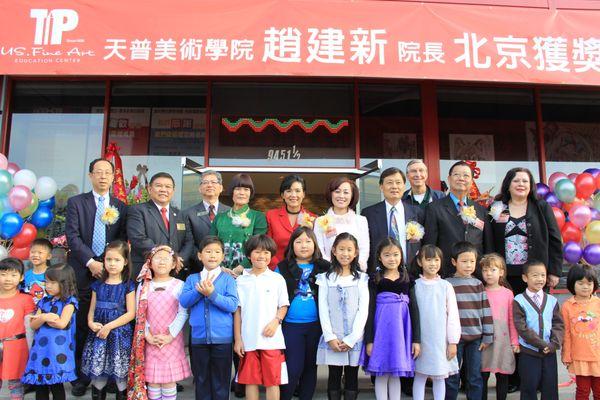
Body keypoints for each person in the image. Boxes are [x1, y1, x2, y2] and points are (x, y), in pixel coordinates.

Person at [66, 158, 127, 397]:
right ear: (90, 175)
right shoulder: (76, 203)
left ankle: (110, 376)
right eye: (98, 172)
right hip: (83, 272)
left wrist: (109, 265)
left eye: (107, 173)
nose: (103, 176)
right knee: (83, 326)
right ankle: (82, 378)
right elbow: (72, 236)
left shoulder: (121, 206)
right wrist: (91, 262)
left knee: (111, 326)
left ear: (113, 177)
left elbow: (121, 240)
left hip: (112, 275)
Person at [180, 236, 239, 400]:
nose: (212, 255)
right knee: (201, 379)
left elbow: (232, 305)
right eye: (208, 251)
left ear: (222, 256)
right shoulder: (192, 279)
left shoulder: (228, 279)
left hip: (223, 340)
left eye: (217, 252)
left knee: (221, 381)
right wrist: (199, 291)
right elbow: (184, 301)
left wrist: (212, 294)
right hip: (198, 339)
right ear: (200, 255)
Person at [361, 237, 420, 400]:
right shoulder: (374, 279)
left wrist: (416, 339)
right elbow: (370, 309)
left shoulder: (408, 279)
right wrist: (369, 340)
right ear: (379, 257)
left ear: (401, 255)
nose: (392, 258)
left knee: (395, 374)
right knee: (382, 372)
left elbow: (414, 310)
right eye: (387, 255)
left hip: (401, 332)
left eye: (395, 254)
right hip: (380, 332)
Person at [275, 227, 330, 400]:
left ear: (315, 244)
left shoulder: (324, 267)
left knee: (310, 366)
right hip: (291, 326)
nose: (303, 245)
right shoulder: (282, 267)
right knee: (293, 367)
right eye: (298, 241)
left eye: (308, 241)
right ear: (292, 246)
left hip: (316, 325)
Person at [489, 167, 563, 294]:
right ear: (508, 185)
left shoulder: (542, 206)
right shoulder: (497, 207)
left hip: (535, 275)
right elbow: (489, 238)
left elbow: (555, 239)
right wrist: (490, 269)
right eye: (516, 181)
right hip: (503, 276)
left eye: (525, 181)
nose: (521, 184)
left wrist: (554, 271)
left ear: (531, 186)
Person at [234, 235, 289, 400]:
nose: (261, 256)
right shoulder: (241, 281)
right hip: (248, 339)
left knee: (273, 381)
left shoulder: (277, 279)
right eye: (257, 252)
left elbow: (283, 305)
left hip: (272, 340)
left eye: (266, 252)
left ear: (271, 256)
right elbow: (237, 311)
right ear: (249, 256)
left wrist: (276, 321)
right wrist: (238, 339)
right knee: (250, 381)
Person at [132, 245, 191, 400]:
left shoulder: (180, 285)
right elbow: (139, 314)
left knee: (169, 381)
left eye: (166, 259)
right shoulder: (144, 286)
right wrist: (147, 335)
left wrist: (170, 335)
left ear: (173, 264)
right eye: (157, 258)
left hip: (171, 339)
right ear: (150, 263)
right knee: (153, 381)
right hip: (150, 339)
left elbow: (183, 312)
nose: (162, 262)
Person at [316, 232, 369, 400]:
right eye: (341, 249)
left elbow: (363, 310)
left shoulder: (362, 279)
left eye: (349, 250)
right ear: (333, 251)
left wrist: (352, 338)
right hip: (333, 336)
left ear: (355, 253)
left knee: (352, 376)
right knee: (334, 375)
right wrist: (330, 337)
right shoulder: (325, 279)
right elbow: (323, 309)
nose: (345, 254)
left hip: (353, 337)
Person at [81, 241, 135, 400]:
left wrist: (109, 326)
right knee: (99, 374)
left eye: (117, 260)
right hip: (99, 335)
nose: (112, 264)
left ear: (125, 262)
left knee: (120, 375)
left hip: (119, 334)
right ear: (103, 260)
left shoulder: (128, 286)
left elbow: (131, 313)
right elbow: (91, 310)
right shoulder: (97, 285)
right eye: (108, 259)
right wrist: (91, 323)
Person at [423, 161, 493, 277]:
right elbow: (430, 245)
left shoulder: (481, 210)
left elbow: (488, 245)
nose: (461, 178)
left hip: (476, 274)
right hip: (446, 273)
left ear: (471, 182)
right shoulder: (434, 208)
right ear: (449, 179)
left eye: (466, 175)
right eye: (456, 175)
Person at [444, 241, 494, 400]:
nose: (468, 265)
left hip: (475, 339)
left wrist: (487, 336)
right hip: (454, 340)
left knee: (474, 377)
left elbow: (486, 311)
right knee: (452, 376)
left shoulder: (478, 284)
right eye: (464, 261)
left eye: (472, 261)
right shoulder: (447, 284)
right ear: (454, 262)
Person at [410, 245, 460, 400]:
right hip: (421, 339)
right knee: (420, 375)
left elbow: (453, 315)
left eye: (436, 260)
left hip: (440, 339)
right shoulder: (415, 285)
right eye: (428, 259)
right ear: (420, 262)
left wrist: (453, 341)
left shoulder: (446, 286)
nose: (433, 264)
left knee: (439, 376)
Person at [22, 264, 78, 400]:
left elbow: (61, 323)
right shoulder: (43, 301)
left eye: (53, 282)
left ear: (65, 283)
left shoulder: (69, 302)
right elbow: (34, 325)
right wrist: (44, 317)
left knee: (56, 385)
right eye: (46, 282)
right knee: (40, 386)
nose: (48, 286)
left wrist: (42, 318)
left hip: (57, 351)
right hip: (40, 351)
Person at [513, 260, 564, 400]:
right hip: (529, 352)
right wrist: (542, 344)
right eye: (535, 275)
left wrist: (553, 344)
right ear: (525, 278)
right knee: (529, 387)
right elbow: (521, 327)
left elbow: (558, 324)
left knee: (550, 388)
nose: (540, 279)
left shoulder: (552, 300)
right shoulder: (519, 300)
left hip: (549, 353)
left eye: (543, 275)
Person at [128, 172, 194, 279]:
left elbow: (189, 241)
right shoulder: (138, 210)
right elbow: (138, 238)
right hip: (147, 270)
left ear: (173, 191)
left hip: (176, 272)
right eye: (159, 186)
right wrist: (166, 257)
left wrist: (178, 259)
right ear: (149, 189)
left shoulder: (180, 214)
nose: (163, 189)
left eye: (168, 186)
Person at [362, 167, 424, 274]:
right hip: (379, 274)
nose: (394, 186)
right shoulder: (368, 213)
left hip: (411, 273)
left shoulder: (417, 212)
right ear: (381, 186)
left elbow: (423, 243)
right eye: (389, 183)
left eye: (398, 182)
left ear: (404, 186)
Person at [210, 173, 268, 275]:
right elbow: (211, 245)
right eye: (238, 189)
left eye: (246, 189)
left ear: (251, 193)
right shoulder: (219, 217)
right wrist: (220, 267)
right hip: (220, 271)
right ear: (232, 192)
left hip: (248, 272)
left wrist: (241, 267)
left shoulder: (258, 217)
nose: (242, 193)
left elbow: (259, 246)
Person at [479, 254, 519, 400]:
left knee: (503, 374)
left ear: (501, 272)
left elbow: (512, 319)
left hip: (503, 340)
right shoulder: (480, 291)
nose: (488, 273)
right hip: (485, 340)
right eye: (485, 270)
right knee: (482, 374)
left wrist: (514, 341)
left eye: (493, 270)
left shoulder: (508, 294)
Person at [561, 264, 600, 400]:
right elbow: (566, 332)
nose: (585, 286)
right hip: (579, 357)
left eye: (589, 283)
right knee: (582, 391)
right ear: (572, 284)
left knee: (599, 391)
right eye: (580, 283)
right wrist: (566, 355)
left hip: (597, 357)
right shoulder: (567, 306)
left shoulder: (598, 303)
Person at [314, 178, 370, 272]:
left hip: (354, 272)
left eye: (346, 192)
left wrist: (355, 268)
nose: (341, 196)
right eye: (337, 191)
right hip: (329, 272)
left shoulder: (361, 220)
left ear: (352, 195)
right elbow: (319, 249)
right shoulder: (321, 221)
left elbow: (364, 248)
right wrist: (333, 268)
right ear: (331, 194)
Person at [0, 258, 35, 400]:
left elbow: (30, 326)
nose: (8, 279)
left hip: (17, 346)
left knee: (16, 383)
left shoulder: (26, 299)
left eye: (13, 275)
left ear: (21, 277)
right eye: (3, 274)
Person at [183, 170, 231, 273]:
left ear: (221, 188)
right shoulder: (188, 214)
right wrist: (207, 262)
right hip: (198, 269)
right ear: (200, 188)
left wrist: (222, 264)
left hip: (228, 269)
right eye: (205, 182)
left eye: (213, 182)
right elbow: (189, 243)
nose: (210, 185)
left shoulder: (230, 212)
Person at [267, 174, 316, 269]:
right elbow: (267, 246)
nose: (293, 195)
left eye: (297, 191)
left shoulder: (313, 218)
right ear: (282, 195)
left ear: (303, 194)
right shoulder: (271, 216)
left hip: (304, 271)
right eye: (289, 191)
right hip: (276, 270)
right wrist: (280, 268)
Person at [22, 238, 53, 304]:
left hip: (46, 310)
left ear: (49, 256)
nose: (35, 255)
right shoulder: (26, 275)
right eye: (32, 252)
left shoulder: (53, 273)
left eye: (40, 252)